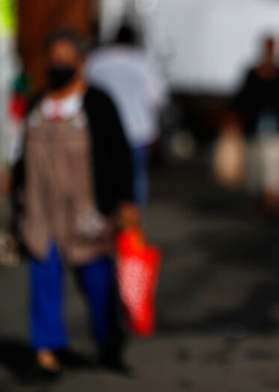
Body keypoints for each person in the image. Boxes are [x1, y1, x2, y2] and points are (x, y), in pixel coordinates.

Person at [11, 29, 136, 380]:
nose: (57, 65)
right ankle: (47, 350)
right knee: (44, 279)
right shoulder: (38, 104)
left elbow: (120, 154)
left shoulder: (98, 103)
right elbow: (20, 159)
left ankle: (108, 340)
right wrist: (18, 203)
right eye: (52, 59)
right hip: (42, 211)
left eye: (65, 59)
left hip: (87, 212)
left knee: (97, 281)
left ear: (81, 62)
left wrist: (125, 202)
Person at [85, 24, 168, 215]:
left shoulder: (97, 60)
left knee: (102, 180)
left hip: (102, 133)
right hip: (136, 132)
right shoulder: (143, 62)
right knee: (135, 183)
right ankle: (132, 234)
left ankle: (104, 222)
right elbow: (158, 97)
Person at [234, 36, 279, 217]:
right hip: (255, 131)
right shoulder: (253, 74)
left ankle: (274, 206)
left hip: (277, 132)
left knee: (275, 172)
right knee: (256, 172)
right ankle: (259, 205)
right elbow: (241, 102)